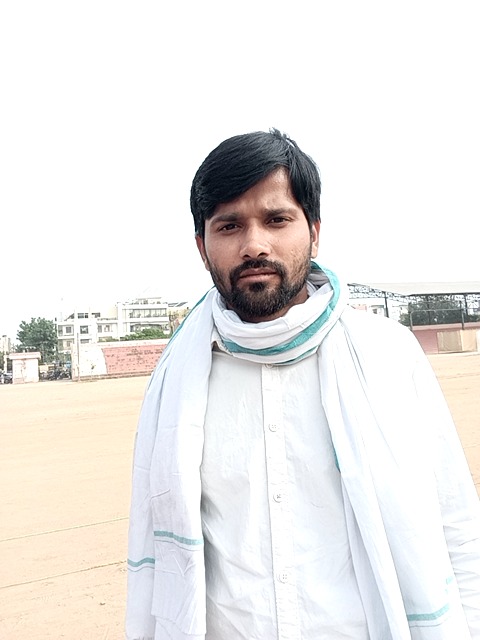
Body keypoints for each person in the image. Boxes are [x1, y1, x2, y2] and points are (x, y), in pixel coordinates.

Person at [126, 129, 480, 640]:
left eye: (276, 220)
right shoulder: (175, 381)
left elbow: (456, 523)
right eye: (229, 225)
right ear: (202, 246)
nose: (254, 245)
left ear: (314, 231)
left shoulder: (388, 355)